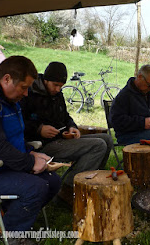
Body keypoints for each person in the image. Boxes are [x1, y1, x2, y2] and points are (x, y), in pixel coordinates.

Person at [0, 56, 61, 245]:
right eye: (24, 87)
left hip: (1, 166)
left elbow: (12, 138)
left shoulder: (5, 96)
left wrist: (30, 152)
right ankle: (12, 235)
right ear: (7, 79)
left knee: (52, 181)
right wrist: (29, 162)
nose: (26, 94)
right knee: (35, 187)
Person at [20, 62, 113, 205]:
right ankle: (68, 191)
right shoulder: (29, 93)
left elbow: (65, 116)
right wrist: (39, 129)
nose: (58, 89)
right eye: (55, 85)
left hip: (59, 139)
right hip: (41, 145)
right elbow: (19, 121)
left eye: (61, 86)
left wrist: (71, 127)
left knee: (106, 139)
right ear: (46, 80)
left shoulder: (57, 95)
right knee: (98, 145)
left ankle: (91, 183)